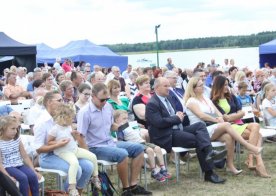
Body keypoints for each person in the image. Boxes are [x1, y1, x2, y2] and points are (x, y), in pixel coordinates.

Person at [145, 77, 227, 184]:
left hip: (177, 129)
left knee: (200, 126)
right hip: (166, 135)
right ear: (156, 88)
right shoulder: (152, 104)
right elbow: (159, 123)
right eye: (165, 86)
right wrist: (176, 118)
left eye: (168, 85)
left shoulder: (168, 98)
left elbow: (176, 114)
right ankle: (209, 171)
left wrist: (179, 116)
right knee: (198, 140)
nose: (169, 88)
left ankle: (210, 156)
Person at [77, 83, 152, 196]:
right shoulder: (84, 112)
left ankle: (133, 185)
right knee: (122, 154)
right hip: (94, 147)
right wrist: (88, 156)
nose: (105, 102)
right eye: (102, 100)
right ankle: (126, 190)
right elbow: (80, 136)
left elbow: (111, 126)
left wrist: (121, 127)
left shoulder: (108, 106)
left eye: (107, 99)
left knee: (139, 148)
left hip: (110, 142)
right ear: (93, 96)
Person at [184, 77, 263, 175]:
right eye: (200, 85)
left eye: (202, 84)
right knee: (226, 125)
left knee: (229, 137)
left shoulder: (205, 99)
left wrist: (220, 118)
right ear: (193, 88)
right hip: (201, 131)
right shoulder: (191, 101)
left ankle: (230, 165)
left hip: (213, 128)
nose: (203, 87)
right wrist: (217, 120)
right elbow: (201, 115)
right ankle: (248, 146)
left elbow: (218, 113)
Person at [33, 91, 94, 195]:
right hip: (48, 157)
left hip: (66, 152)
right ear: (49, 102)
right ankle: (63, 193)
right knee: (77, 170)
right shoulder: (41, 122)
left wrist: (74, 137)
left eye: (62, 100)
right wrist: (58, 145)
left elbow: (67, 141)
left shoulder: (64, 117)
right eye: (59, 100)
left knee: (89, 166)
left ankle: (76, 193)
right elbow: (38, 149)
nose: (62, 103)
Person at [211, 75, 270, 177]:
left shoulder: (231, 96)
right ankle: (256, 163)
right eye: (224, 85)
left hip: (238, 123)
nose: (227, 87)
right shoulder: (213, 102)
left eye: (227, 84)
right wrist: (235, 115)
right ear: (218, 86)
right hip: (228, 127)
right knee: (258, 135)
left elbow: (242, 112)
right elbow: (226, 119)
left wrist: (233, 116)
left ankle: (250, 159)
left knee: (256, 126)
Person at [48, 104, 101, 195]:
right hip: (63, 151)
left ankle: (95, 177)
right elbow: (49, 142)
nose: (73, 120)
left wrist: (74, 136)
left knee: (92, 156)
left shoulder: (69, 126)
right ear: (63, 117)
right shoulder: (55, 129)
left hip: (74, 149)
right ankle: (72, 186)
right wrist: (59, 142)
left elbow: (72, 139)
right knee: (74, 163)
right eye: (71, 118)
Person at [114, 110, 171, 182]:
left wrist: (138, 126)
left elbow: (135, 132)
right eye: (124, 119)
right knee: (150, 150)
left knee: (157, 148)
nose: (126, 120)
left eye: (127, 118)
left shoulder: (129, 125)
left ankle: (163, 169)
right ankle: (154, 171)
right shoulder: (120, 129)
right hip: (135, 145)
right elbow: (121, 141)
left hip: (142, 142)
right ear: (117, 120)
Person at [0, 116, 41, 196]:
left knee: (32, 176)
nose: (15, 131)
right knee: (23, 178)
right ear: (3, 128)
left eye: (17, 128)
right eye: (13, 128)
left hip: (19, 165)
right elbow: (0, 163)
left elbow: (25, 156)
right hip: (8, 167)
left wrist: (33, 170)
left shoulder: (17, 139)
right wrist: (8, 177)